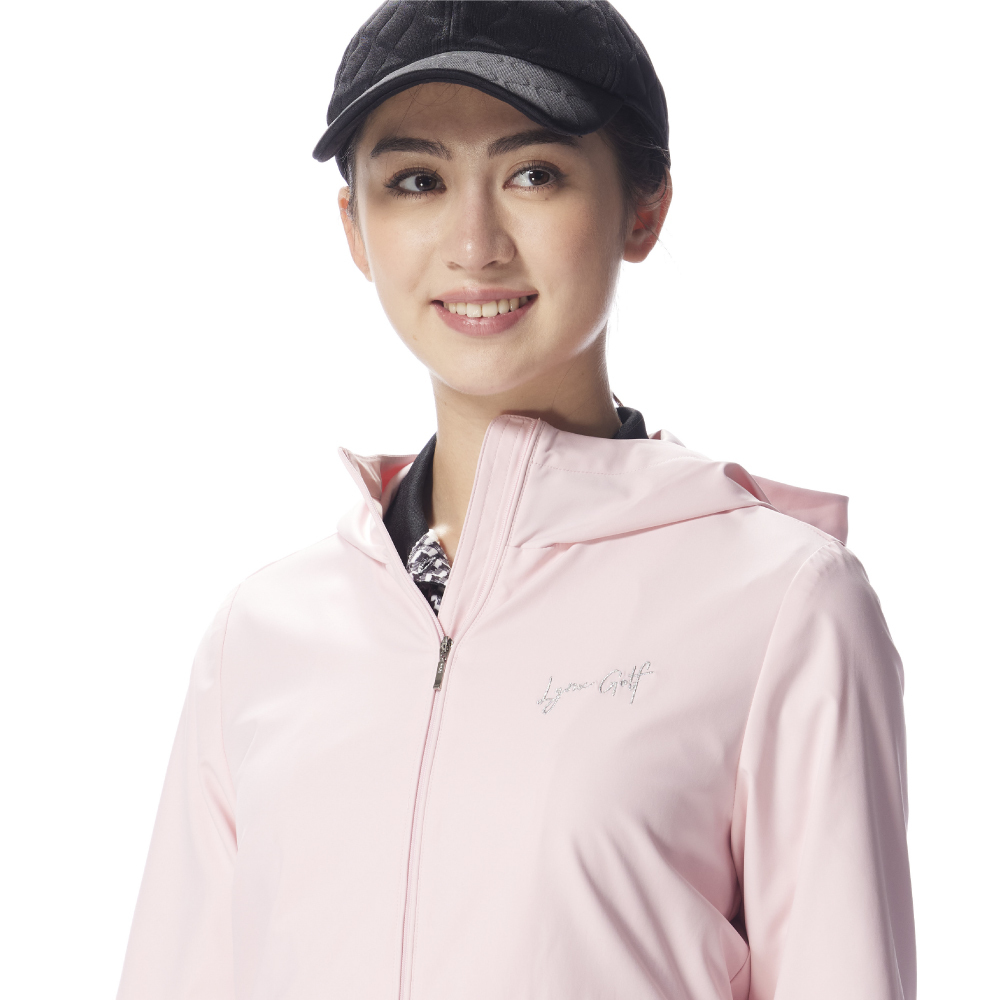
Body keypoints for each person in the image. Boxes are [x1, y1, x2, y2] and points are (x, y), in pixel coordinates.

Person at [117, 3, 916, 998]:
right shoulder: (260, 638)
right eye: (417, 181)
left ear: (643, 210)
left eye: (533, 174)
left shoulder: (781, 606)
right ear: (355, 228)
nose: (474, 244)